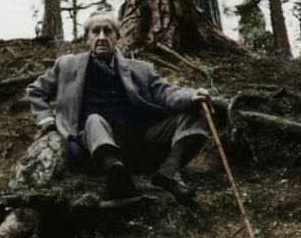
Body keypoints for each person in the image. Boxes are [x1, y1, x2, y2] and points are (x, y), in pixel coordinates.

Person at [26, 11, 210, 200]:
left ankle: (167, 174)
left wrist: (191, 95)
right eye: (95, 32)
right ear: (87, 38)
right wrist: (47, 119)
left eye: (108, 31)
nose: (101, 37)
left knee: (194, 111)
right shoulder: (67, 65)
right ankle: (115, 173)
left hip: (138, 143)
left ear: (117, 37)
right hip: (90, 146)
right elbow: (36, 90)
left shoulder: (141, 69)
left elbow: (165, 92)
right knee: (94, 120)